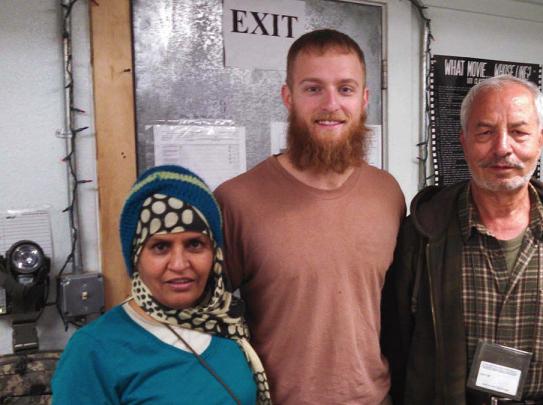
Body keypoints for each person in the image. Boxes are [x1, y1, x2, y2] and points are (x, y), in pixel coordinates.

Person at [381, 75, 543, 405]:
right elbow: (394, 348)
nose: (502, 147)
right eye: (485, 132)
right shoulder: (423, 233)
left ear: (541, 139)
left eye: (519, 132)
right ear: (463, 140)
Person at [214, 29, 405, 404]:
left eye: (346, 89)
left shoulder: (388, 194)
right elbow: (205, 322)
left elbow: (396, 312)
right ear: (288, 97)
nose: (331, 104)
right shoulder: (236, 200)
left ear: (364, 99)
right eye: (313, 88)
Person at [52, 165, 271, 404]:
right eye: (160, 247)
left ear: (215, 253)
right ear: (136, 258)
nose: (179, 264)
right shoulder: (95, 349)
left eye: (195, 244)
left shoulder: (228, 325)